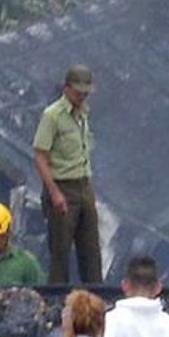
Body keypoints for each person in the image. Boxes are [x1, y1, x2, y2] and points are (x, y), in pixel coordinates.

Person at [34, 65, 101, 284]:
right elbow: (40, 156)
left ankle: (95, 294)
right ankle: (57, 297)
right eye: (78, 92)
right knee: (60, 252)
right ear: (67, 88)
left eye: (85, 93)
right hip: (62, 186)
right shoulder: (53, 115)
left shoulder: (83, 113)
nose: (82, 97)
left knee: (91, 250)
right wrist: (54, 192)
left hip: (84, 185)